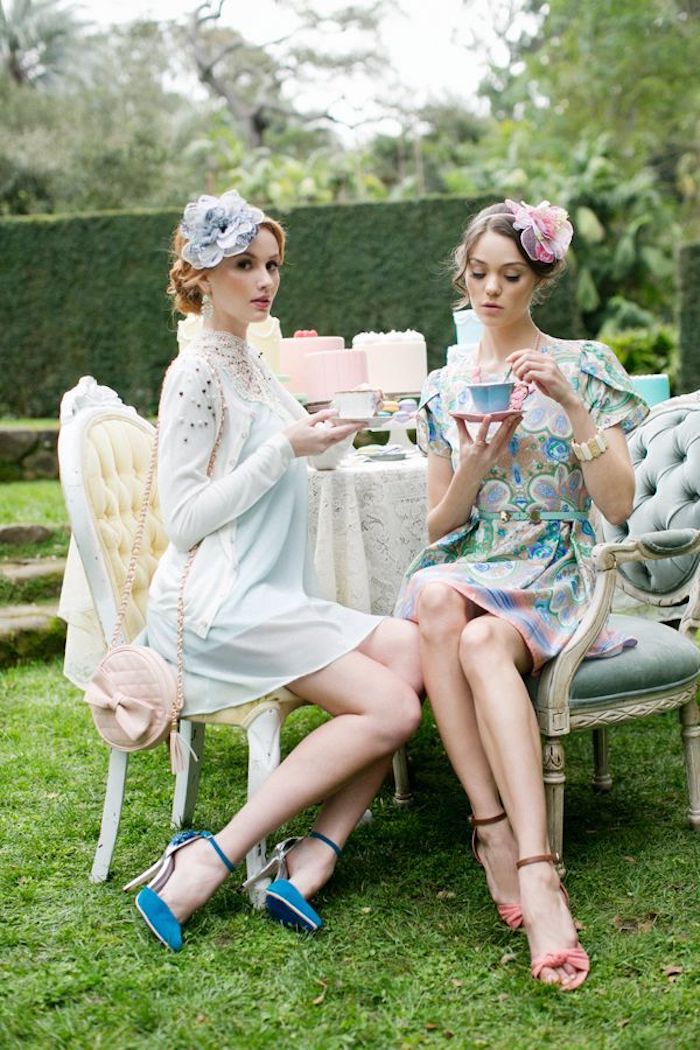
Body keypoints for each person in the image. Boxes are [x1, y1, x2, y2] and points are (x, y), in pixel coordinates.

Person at [127, 189, 423, 951]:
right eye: (243, 265)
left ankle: (308, 855)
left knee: (412, 652)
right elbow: (184, 519)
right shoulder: (196, 372)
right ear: (200, 274)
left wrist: (337, 428)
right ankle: (216, 856)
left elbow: (309, 453)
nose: (264, 280)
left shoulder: (253, 364)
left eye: (271, 265)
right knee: (392, 710)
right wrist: (283, 450)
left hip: (270, 595)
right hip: (214, 607)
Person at [394, 199, 648, 990]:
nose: (491, 291)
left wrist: (571, 404)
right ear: (462, 277)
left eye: (511, 275)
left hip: (554, 566)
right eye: (478, 275)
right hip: (476, 561)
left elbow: (618, 506)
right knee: (438, 597)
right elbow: (440, 526)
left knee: (473, 638)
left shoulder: (586, 364)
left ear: (539, 277)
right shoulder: (444, 387)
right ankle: (494, 830)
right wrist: (475, 458)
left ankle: (534, 868)